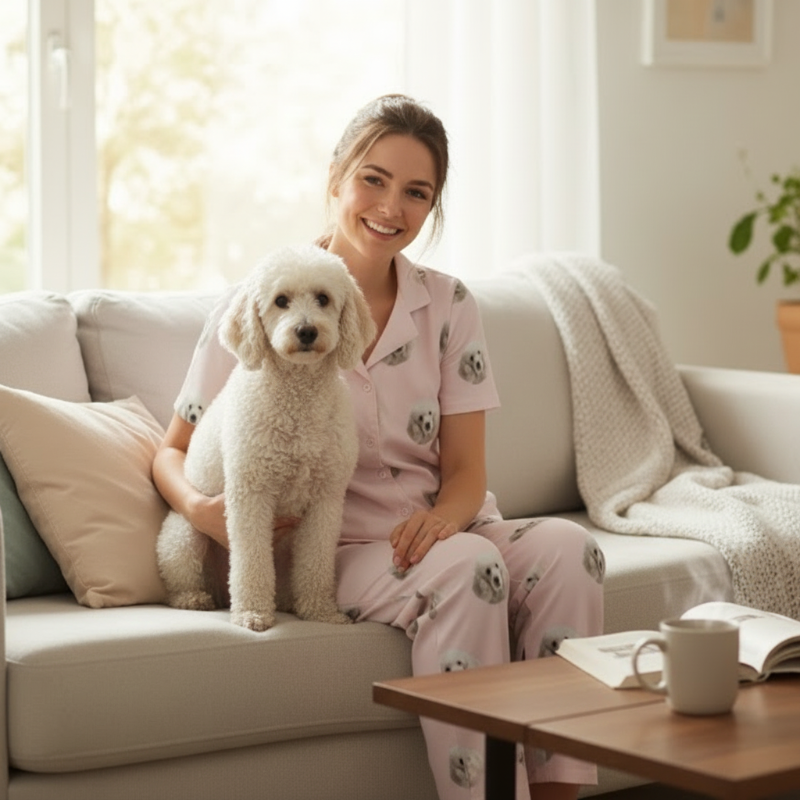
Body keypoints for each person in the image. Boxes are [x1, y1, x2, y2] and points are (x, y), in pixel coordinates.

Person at [152, 94, 604, 800]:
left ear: (432, 207)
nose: (391, 206)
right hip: (342, 544)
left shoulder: (451, 305)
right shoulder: (261, 300)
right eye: (374, 179)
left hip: (448, 523)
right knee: (465, 568)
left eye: (416, 192)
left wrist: (448, 520)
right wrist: (200, 510)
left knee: (572, 551)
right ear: (335, 178)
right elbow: (170, 450)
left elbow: (464, 469)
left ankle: (558, 791)